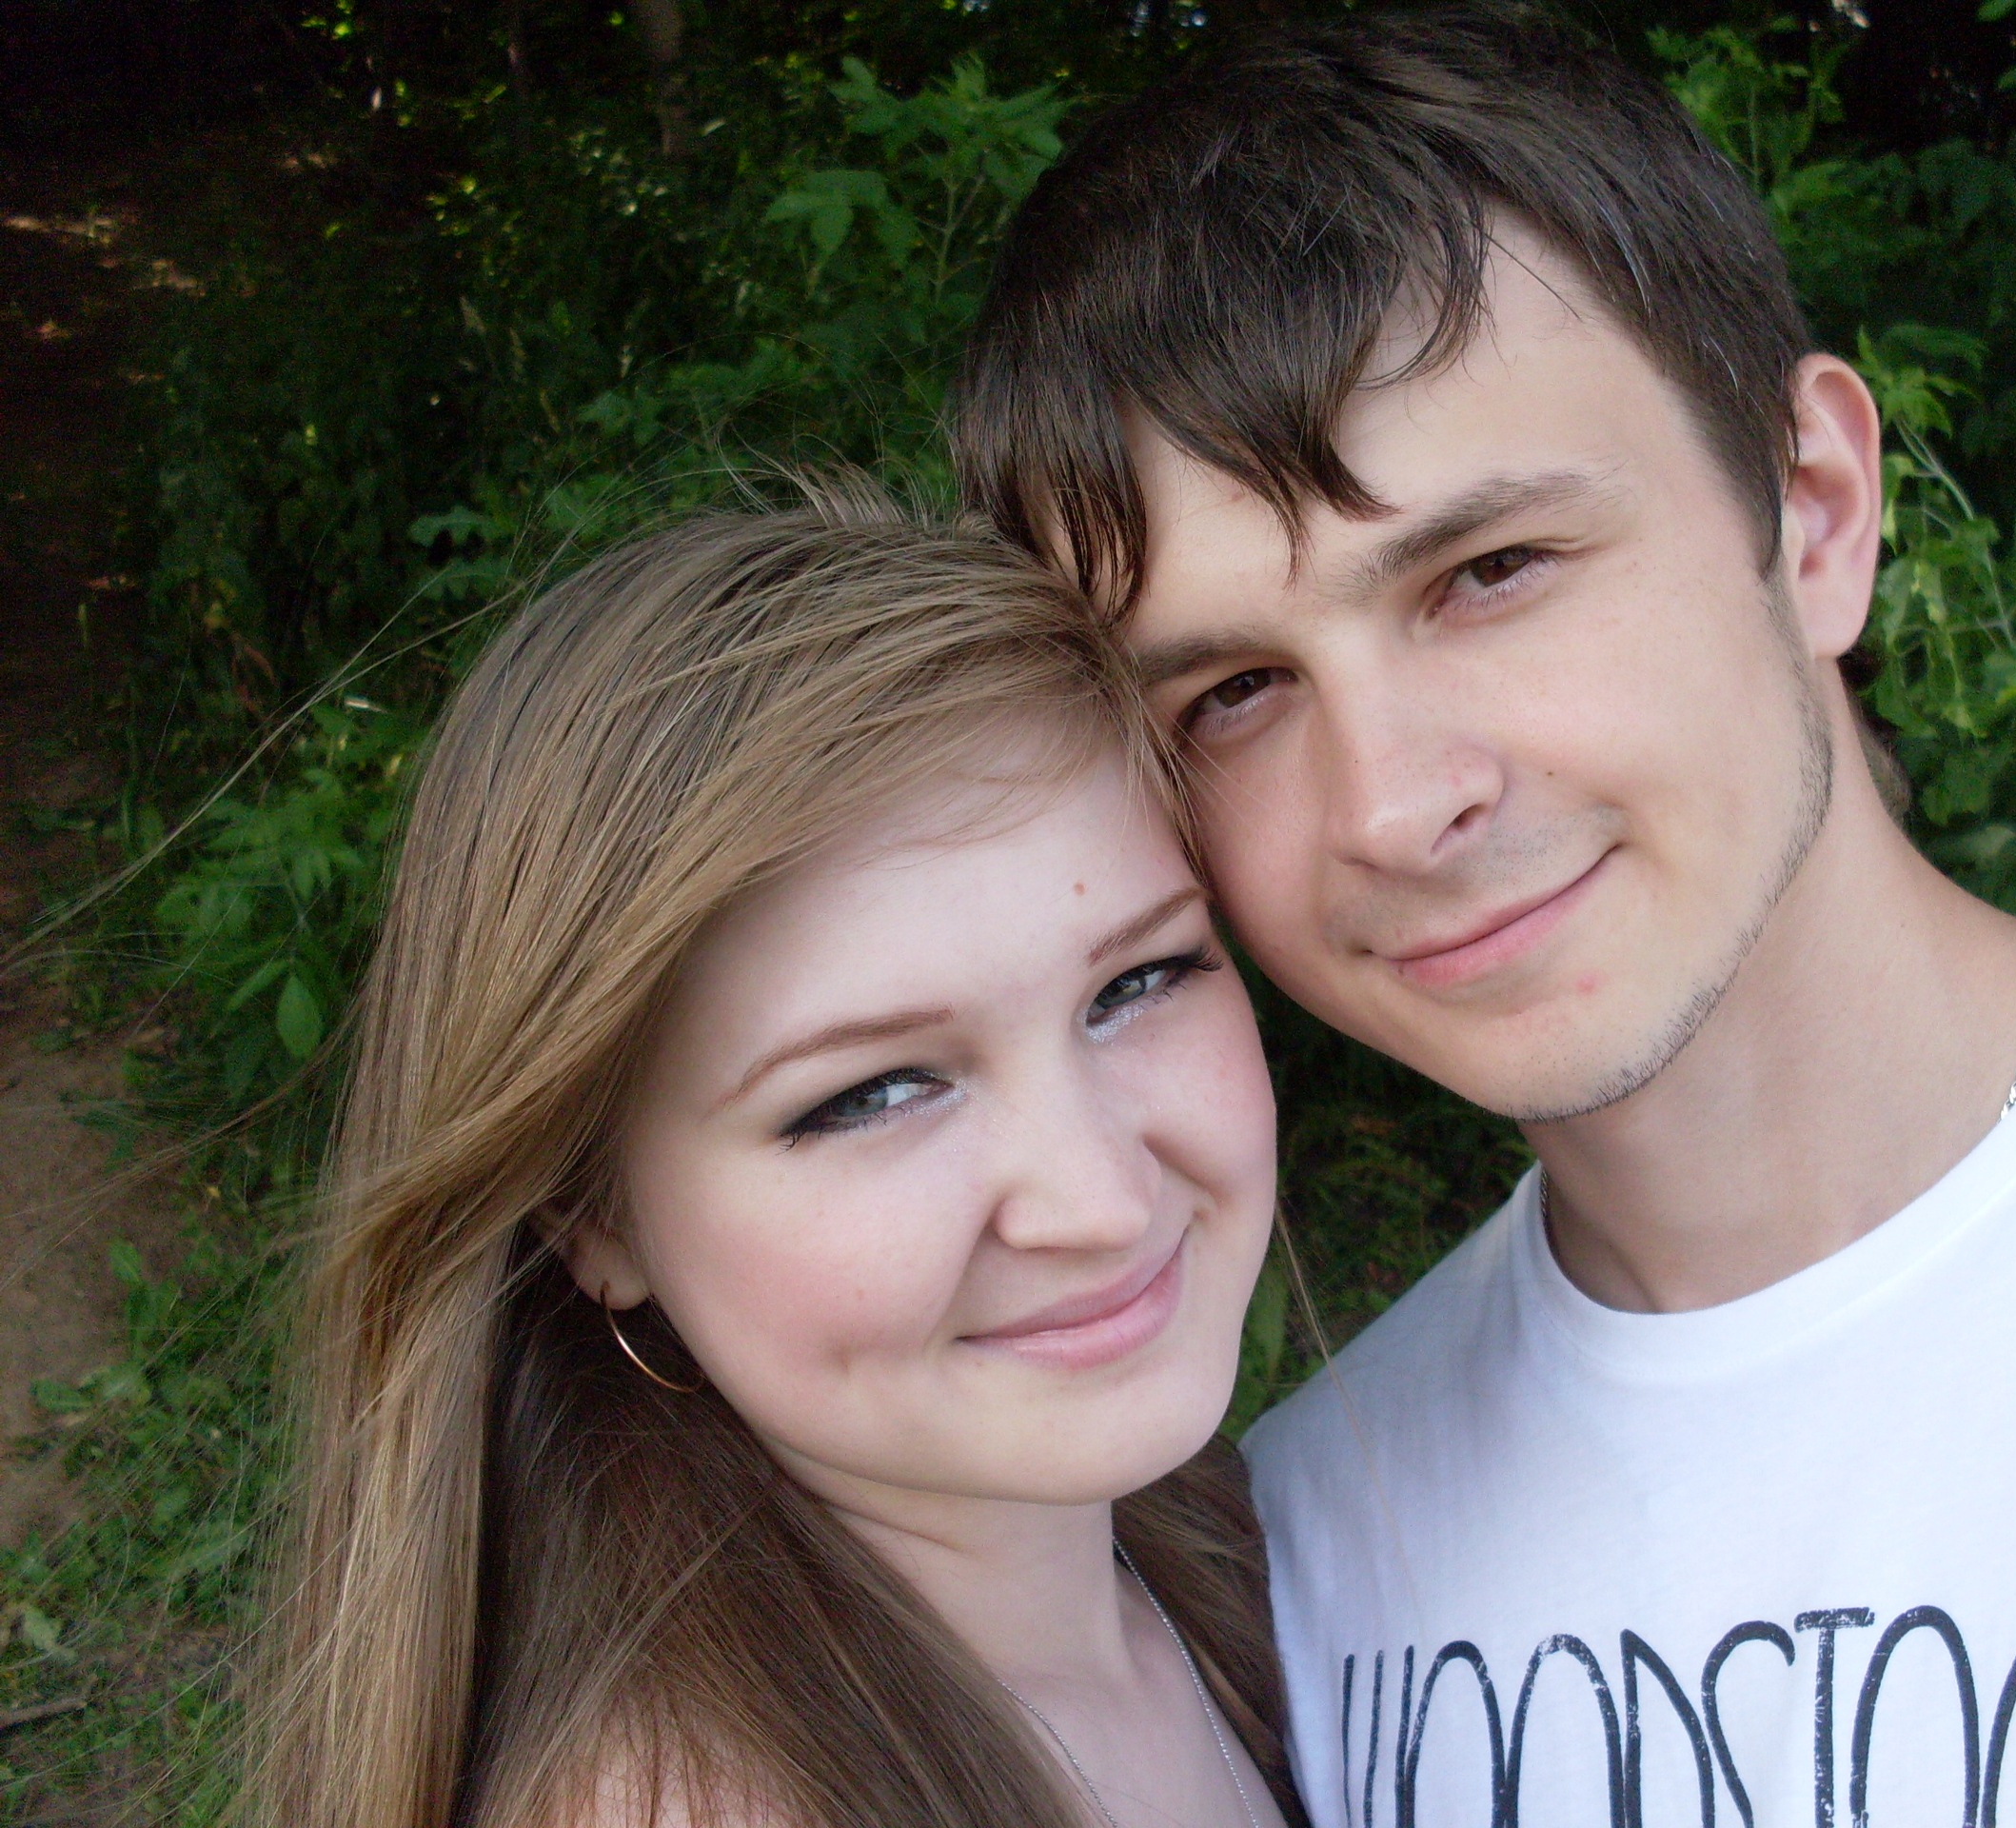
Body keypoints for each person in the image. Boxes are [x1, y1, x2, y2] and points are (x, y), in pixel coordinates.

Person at [956, 10, 2016, 1823]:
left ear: (1814, 514)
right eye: (1235, 693)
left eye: (1491, 573)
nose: (1394, 807)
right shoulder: (1308, 1548)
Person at [247, 485, 1307, 1828]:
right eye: (872, 1094)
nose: (1100, 1200)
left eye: (1137, 982)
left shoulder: (1258, 1554)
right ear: (592, 1218)